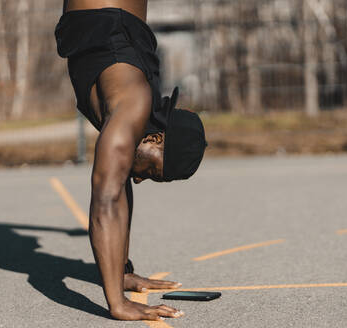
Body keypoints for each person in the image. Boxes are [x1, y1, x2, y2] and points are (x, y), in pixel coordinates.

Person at [55, 0, 207, 321]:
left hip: (117, 25)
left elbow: (121, 184)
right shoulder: (131, 108)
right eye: (151, 170)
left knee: (119, 171)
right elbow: (106, 201)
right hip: (108, 21)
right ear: (155, 138)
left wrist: (121, 269)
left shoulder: (136, 117)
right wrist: (117, 302)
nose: (139, 178)